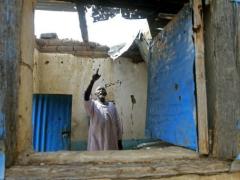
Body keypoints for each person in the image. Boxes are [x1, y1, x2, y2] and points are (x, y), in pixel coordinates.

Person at [84, 69, 123, 151]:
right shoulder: (93, 105)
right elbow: (86, 96)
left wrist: (119, 141)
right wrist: (92, 81)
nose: (101, 90)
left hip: (111, 141)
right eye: (99, 89)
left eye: (103, 89)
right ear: (95, 94)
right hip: (96, 142)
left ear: (105, 93)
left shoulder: (112, 106)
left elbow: (118, 124)